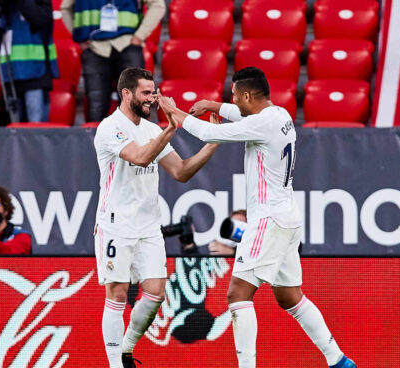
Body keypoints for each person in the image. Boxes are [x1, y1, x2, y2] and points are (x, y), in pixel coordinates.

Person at [157, 67, 356, 368]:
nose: (233, 101)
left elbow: (209, 133)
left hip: (268, 220)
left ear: (248, 95)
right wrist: (214, 105)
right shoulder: (281, 116)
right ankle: (339, 361)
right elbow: (243, 116)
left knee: (238, 294)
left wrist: (174, 111)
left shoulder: (263, 124)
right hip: (287, 218)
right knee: (290, 297)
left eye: (236, 97)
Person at [93, 67, 218, 368]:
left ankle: (125, 350)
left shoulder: (151, 130)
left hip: (149, 225)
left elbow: (182, 171)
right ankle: (114, 364)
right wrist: (171, 127)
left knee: (155, 294)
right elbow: (140, 157)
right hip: (116, 223)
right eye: (146, 93)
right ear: (126, 93)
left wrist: (214, 142)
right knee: (118, 293)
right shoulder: (111, 128)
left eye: (153, 92)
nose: (153, 98)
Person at [61, 0, 165, 122]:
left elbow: (157, 5)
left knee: (134, 106)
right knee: (96, 107)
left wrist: (140, 36)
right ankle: (97, 140)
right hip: (94, 48)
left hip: (127, 44)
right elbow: (65, 8)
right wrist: (78, 36)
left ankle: (136, 141)